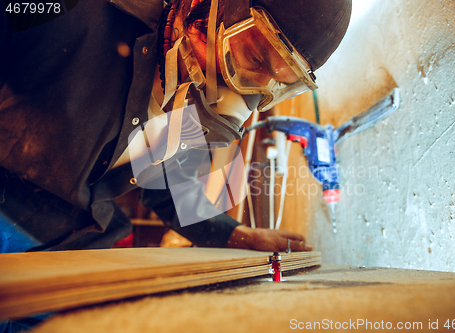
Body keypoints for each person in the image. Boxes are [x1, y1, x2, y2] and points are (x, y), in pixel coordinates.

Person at [0, 0, 351, 253]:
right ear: (203, 9)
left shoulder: (188, 102)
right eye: (255, 57)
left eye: (278, 83)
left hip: (71, 249)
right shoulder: (67, 11)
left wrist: (238, 235)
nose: (251, 90)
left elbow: (165, 186)